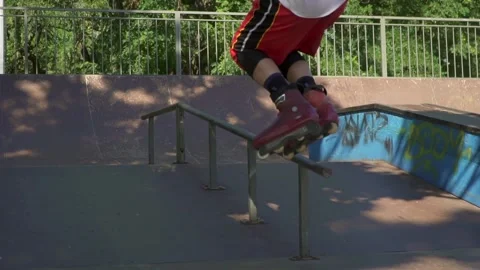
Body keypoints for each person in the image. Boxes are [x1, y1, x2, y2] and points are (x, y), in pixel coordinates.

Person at [230, 0, 348, 159]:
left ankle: (293, 108)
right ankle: (318, 102)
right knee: (281, 48)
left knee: (243, 48)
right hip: (334, 5)